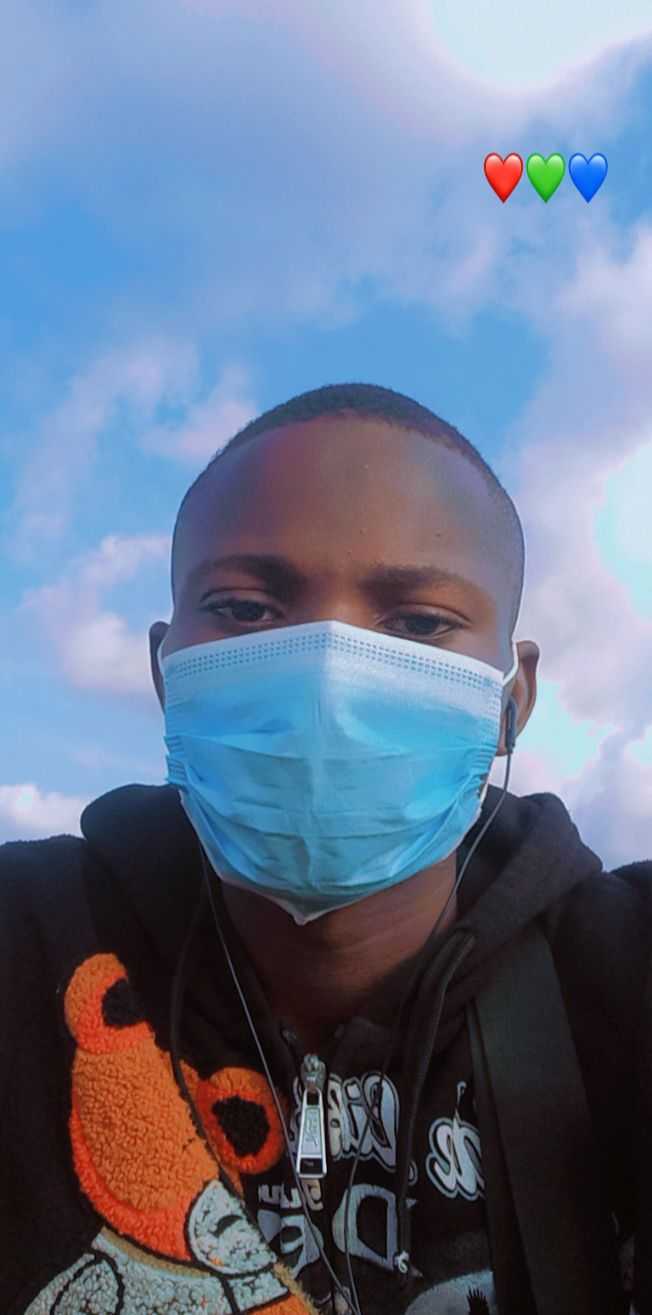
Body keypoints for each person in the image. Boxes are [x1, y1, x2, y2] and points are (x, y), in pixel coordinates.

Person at [1, 382, 651, 1315]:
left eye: (418, 623)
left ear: (511, 700)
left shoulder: (622, 974)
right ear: (165, 671)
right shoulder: (24, 944)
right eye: (247, 608)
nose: (328, 681)